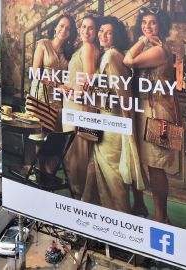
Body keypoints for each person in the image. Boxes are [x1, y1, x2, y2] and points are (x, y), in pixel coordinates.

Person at [81, 16, 144, 213]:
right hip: (104, 119)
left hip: (112, 121)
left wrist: (128, 127)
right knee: (97, 168)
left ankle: (119, 217)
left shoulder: (112, 57)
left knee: (113, 176)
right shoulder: (107, 55)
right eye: (101, 31)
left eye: (109, 32)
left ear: (116, 36)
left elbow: (122, 94)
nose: (103, 35)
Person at [123, 7, 176, 223]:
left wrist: (141, 40)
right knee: (150, 164)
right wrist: (144, 39)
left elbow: (129, 60)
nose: (147, 26)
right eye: (144, 22)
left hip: (158, 111)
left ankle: (162, 218)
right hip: (148, 108)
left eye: (152, 22)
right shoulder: (152, 46)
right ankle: (151, 212)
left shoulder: (159, 50)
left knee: (157, 166)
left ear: (161, 25)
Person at [62, 14, 101, 199]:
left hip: (79, 107)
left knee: (77, 154)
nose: (86, 31)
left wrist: (73, 94)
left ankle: (79, 196)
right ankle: (82, 194)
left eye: (91, 28)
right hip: (78, 106)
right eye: (84, 27)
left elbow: (90, 77)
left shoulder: (87, 48)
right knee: (78, 153)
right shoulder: (86, 47)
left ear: (95, 32)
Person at [30, 14, 77, 132]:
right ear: (55, 27)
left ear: (70, 33)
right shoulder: (43, 44)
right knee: (38, 132)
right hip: (41, 94)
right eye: (61, 26)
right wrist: (57, 86)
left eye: (68, 28)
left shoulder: (68, 51)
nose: (64, 30)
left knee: (53, 133)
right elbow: (36, 72)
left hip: (57, 99)